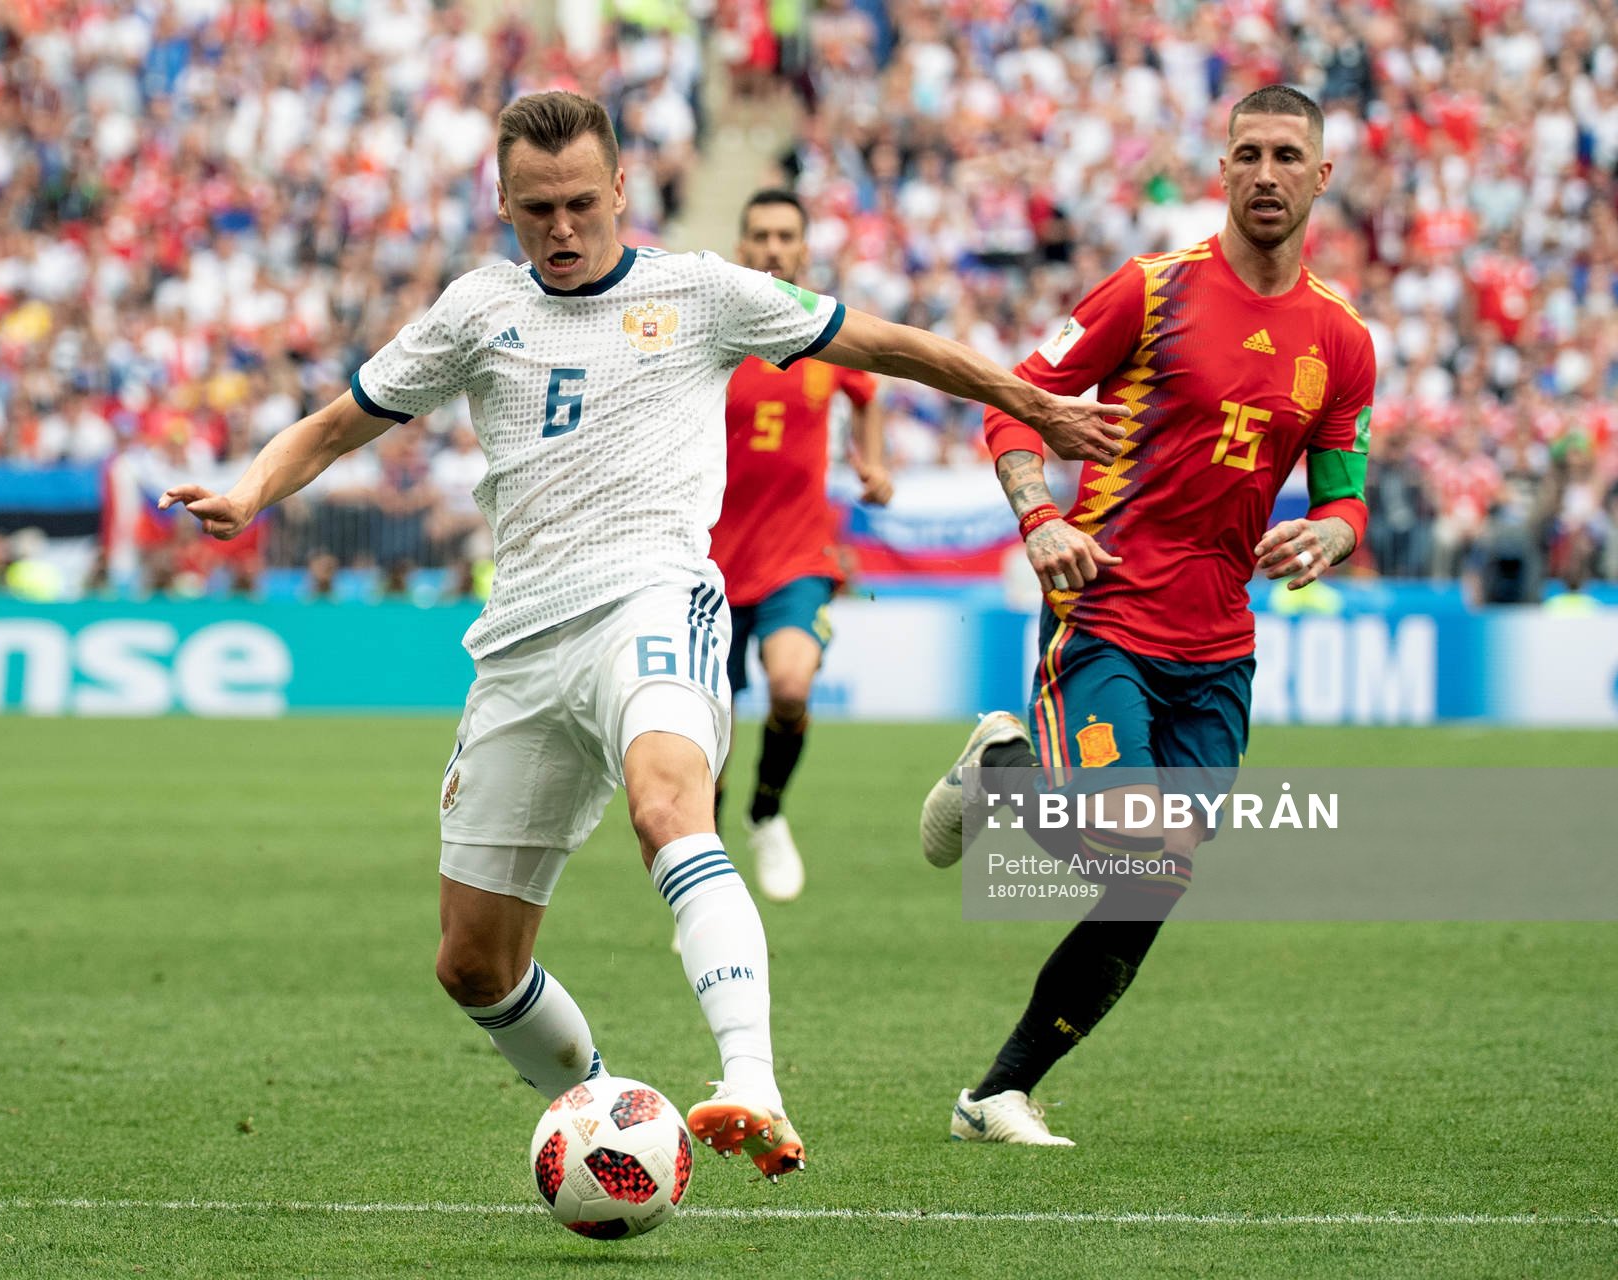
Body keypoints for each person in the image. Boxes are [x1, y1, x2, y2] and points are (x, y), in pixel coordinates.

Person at [161, 90, 1130, 1181]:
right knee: (474, 964)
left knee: (669, 801)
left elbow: (886, 343)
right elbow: (340, 420)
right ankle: (604, 1111)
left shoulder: (702, 292)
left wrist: (1033, 401)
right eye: (537, 210)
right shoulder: (477, 309)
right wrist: (251, 489)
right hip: (522, 647)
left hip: (654, 599)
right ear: (504, 203)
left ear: (623, 189)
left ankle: (751, 1079)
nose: (562, 229)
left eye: (581, 202)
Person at [918, 85, 1376, 1145]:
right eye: (1248, 153)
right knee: (1134, 849)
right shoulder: (1151, 292)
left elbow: (1346, 493)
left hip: (1221, 647)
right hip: (1107, 606)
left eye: (1287, 155)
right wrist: (1038, 517)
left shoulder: (1342, 340)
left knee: (1154, 881)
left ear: (1321, 177)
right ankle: (1002, 771)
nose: (1266, 173)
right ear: (1220, 170)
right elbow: (1012, 400)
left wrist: (1332, 536)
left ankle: (996, 1092)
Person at [708, 189, 892, 903]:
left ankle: (768, 812)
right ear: (742, 246)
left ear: (804, 248)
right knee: (709, 730)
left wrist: (872, 464)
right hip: (711, 568)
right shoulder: (718, 331)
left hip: (797, 558)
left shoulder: (824, 332)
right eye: (761, 235)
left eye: (787, 235)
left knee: (790, 686)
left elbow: (868, 394)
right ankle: (709, 872)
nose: (775, 248)